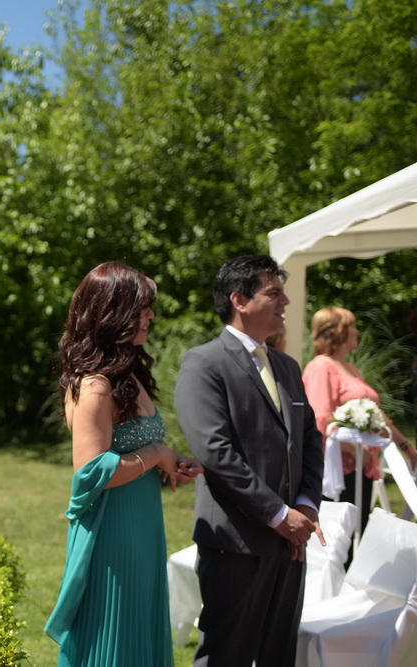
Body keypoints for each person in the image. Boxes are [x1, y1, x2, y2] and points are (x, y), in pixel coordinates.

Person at [45, 261, 202, 666]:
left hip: (142, 527)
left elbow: (136, 449)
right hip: (112, 534)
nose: (150, 316)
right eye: (142, 308)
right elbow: (92, 472)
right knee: (115, 639)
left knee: (140, 634)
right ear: (114, 313)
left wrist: (171, 464)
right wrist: (157, 456)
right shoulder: (95, 385)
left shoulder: (128, 374)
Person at [174, 254, 325, 667]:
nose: (285, 303)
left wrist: (306, 508)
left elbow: (311, 440)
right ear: (239, 300)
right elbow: (214, 451)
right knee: (228, 655)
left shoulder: (287, 367)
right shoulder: (204, 363)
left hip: (292, 540)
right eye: (274, 293)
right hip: (235, 542)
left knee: (279, 652)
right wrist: (278, 515)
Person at [302, 307, 417, 532]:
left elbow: (378, 416)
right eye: (352, 326)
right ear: (339, 332)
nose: (357, 331)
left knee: (357, 529)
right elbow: (319, 419)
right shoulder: (320, 367)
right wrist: (352, 448)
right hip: (339, 468)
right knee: (341, 535)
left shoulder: (350, 368)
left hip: (361, 466)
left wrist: (407, 447)